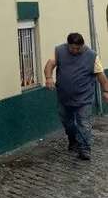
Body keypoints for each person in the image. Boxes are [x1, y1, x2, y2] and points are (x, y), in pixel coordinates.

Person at [44, 32, 108, 161]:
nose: (75, 51)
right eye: (72, 48)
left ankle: (85, 149)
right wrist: (49, 77)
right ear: (68, 45)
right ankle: (73, 140)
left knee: (83, 123)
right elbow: (50, 63)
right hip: (64, 97)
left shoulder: (92, 56)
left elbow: (101, 75)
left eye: (78, 48)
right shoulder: (60, 51)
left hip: (84, 98)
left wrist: (106, 91)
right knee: (67, 122)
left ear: (82, 45)